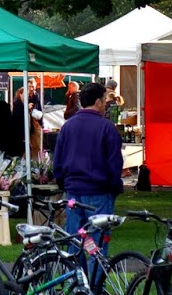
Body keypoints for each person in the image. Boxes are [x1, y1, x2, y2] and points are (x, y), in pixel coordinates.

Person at [51, 80, 123, 255]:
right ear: (98, 101)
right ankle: (95, 282)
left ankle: (77, 279)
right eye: (104, 99)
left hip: (74, 192)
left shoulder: (67, 127)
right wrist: (114, 187)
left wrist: (63, 183)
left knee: (75, 240)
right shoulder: (107, 128)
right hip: (99, 192)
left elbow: (57, 161)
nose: (106, 104)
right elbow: (115, 163)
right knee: (97, 243)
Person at [12, 88, 43, 158]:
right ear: (20, 94)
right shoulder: (18, 103)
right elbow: (19, 116)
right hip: (20, 135)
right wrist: (26, 108)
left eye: (28, 94)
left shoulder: (24, 103)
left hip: (25, 133)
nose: (28, 96)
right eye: (25, 94)